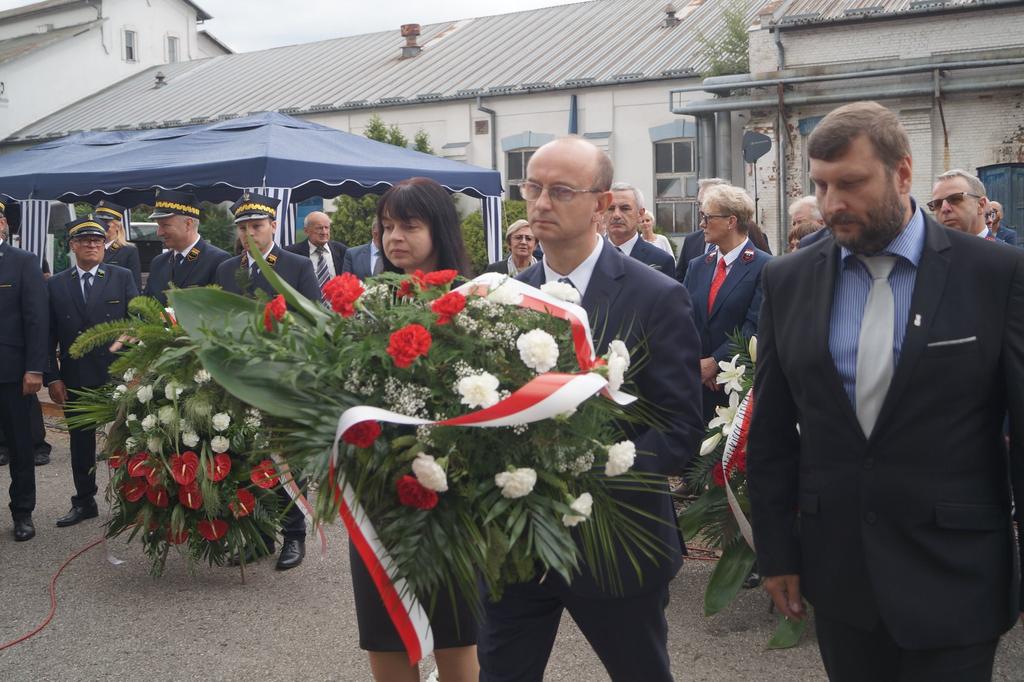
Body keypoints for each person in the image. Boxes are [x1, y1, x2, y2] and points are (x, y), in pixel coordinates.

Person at [747, 101, 1024, 682]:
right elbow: (771, 430)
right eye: (821, 186)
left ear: (903, 174)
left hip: (956, 572)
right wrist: (776, 551)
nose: (831, 205)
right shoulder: (787, 279)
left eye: (850, 183)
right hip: (841, 576)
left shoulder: (995, 275)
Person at [479, 137, 703, 682]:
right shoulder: (505, 296)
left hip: (616, 543)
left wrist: (591, 468)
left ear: (602, 204)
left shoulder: (657, 296)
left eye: (560, 191)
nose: (540, 204)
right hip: (519, 543)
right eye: (532, 188)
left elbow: (680, 429)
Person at [355, 177, 475, 682]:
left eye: (409, 225)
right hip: (378, 496)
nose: (395, 237)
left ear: (439, 229)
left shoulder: (475, 302)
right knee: (385, 634)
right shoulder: (363, 305)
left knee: (455, 636)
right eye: (387, 226)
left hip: (451, 498)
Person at [215, 192, 320, 570]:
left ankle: (294, 536)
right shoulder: (227, 269)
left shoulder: (295, 265)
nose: (249, 234)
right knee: (245, 457)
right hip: (239, 379)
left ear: (274, 226)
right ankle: (257, 536)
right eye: (243, 228)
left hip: (282, 378)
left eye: (257, 226)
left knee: (285, 461)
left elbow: (313, 319)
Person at [45, 216, 138, 527]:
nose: (92, 245)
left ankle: (132, 501)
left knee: (129, 439)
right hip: (77, 376)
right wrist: (52, 377)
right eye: (85, 241)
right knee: (80, 442)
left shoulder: (121, 276)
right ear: (73, 246)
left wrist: (138, 369)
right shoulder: (57, 283)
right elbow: (47, 334)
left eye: (97, 241)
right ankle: (84, 501)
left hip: (118, 375)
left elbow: (135, 324)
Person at [682, 184, 770, 425]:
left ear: (731, 221)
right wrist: (699, 362)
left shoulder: (764, 267)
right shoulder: (698, 265)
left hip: (738, 388)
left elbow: (754, 327)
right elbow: (685, 319)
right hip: (697, 384)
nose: (701, 224)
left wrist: (716, 363)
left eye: (707, 217)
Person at [0, 195, 47, 541]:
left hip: (12, 372)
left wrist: (35, 368)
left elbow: (36, 319)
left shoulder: (23, 262)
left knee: (19, 446)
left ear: (3, 224)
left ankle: (22, 513)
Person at [143, 189, 230, 305]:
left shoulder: (218, 261)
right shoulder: (158, 263)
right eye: (159, 226)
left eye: (165, 225)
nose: (159, 233)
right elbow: (145, 306)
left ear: (188, 224)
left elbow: (222, 311)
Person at [603, 182, 675, 273]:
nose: (616, 215)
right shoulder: (587, 257)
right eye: (610, 208)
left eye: (625, 208)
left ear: (640, 214)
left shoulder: (661, 261)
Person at [674, 177, 730, 284]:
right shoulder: (691, 241)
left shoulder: (745, 240)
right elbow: (680, 280)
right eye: (700, 203)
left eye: (707, 202)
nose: (701, 209)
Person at [284, 210, 348, 289]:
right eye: (319, 228)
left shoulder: (341, 250)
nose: (324, 232)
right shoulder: (291, 253)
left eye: (327, 227)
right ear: (306, 231)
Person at [928, 169, 997, 240]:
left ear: (981, 205)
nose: (944, 208)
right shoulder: (928, 250)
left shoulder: (1004, 251)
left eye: (955, 199)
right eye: (937, 204)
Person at [96, 200, 142, 289]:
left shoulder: (128, 250)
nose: (102, 226)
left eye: (106, 222)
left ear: (117, 226)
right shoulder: (92, 248)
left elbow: (135, 284)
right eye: (99, 222)